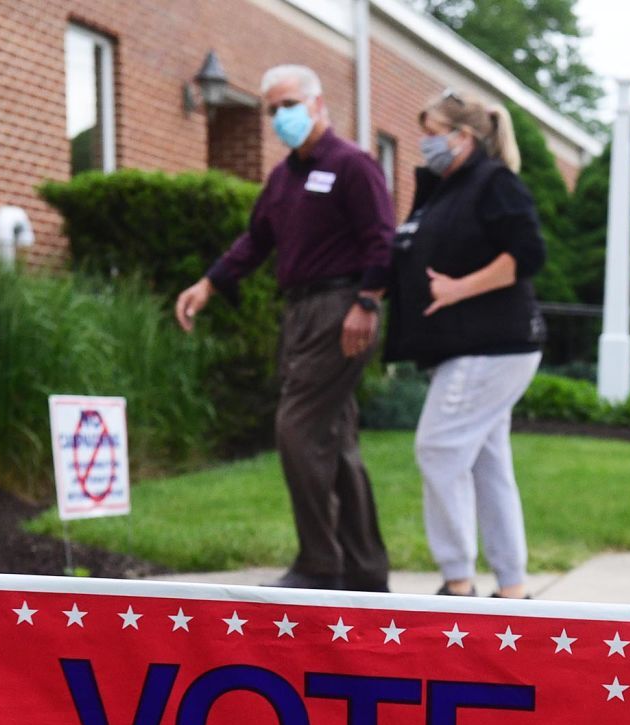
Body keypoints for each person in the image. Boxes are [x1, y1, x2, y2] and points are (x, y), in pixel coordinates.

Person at [175, 64, 394, 592]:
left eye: (289, 105)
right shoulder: (283, 178)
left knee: (296, 429)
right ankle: (365, 571)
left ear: (318, 105)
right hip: (300, 312)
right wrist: (208, 284)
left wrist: (366, 302)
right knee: (335, 440)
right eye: (273, 109)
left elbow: (382, 240)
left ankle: (321, 564)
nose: (280, 117)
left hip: (341, 308)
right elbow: (255, 241)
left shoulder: (352, 165)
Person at [383, 88, 546, 599]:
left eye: (431, 134)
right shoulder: (441, 188)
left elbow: (528, 254)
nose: (422, 144)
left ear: (463, 137)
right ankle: (512, 587)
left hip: (491, 345)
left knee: (438, 448)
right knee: (486, 460)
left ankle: (458, 581)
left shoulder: (494, 183)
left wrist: (457, 288)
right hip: (470, 348)